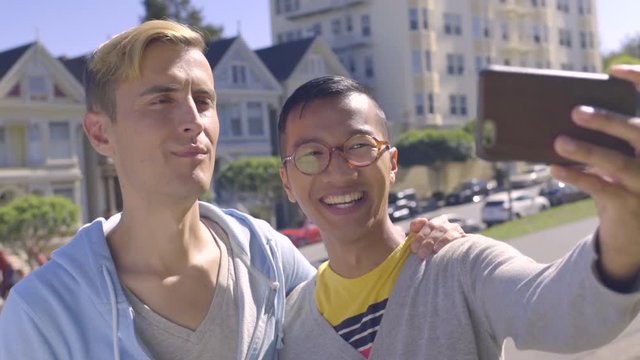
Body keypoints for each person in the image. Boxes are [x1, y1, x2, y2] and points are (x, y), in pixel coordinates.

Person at [0, 20, 461, 359]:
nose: (193, 121)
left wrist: (428, 255)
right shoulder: (43, 312)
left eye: (203, 101)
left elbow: (370, 324)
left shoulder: (267, 258)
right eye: (162, 100)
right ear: (100, 134)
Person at [276, 73, 640, 359]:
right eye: (311, 155)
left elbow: (560, 308)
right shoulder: (288, 326)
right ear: (287, 183)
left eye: (359, 146)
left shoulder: (460, 265)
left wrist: (623, 234)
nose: (338, 172)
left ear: (392, 164)